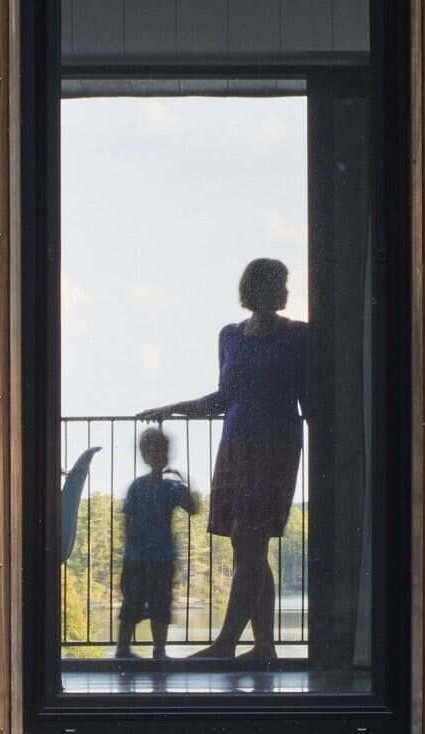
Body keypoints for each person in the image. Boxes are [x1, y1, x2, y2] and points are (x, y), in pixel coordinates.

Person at [139, 257, 306, 666]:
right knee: (247, 546)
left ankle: (226, 644)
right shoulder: (229, 336)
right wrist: (172, 407)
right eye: (279, 283)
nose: (285, 291)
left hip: (275, 447)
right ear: (258, 288)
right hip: (236, 445)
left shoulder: (298, 335)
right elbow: (223, 397)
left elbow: (310, 396)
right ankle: (264, 648)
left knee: (250, 541)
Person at [115, 426, 199, 660]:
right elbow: (127, 521)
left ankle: (158, 650)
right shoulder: (137, 486)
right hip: (138, 557)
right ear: (145, 456)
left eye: (162, 450)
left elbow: (192, 508)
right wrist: (130, 544)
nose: (158, 455)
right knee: (133, 603)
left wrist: (183, 482)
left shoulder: (172, 486)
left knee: (160, 604)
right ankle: (123, 649)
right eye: (153, 451)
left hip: (160, 556)